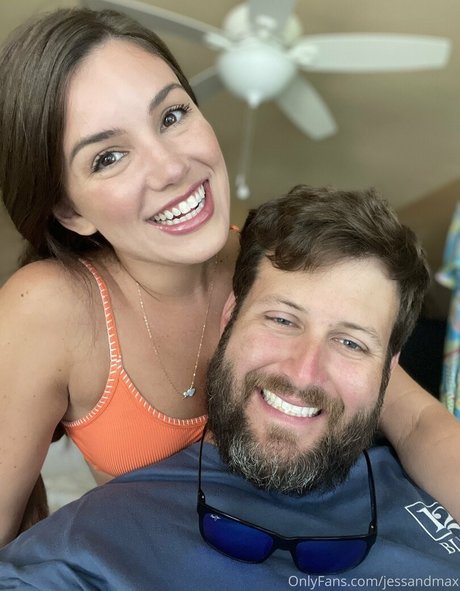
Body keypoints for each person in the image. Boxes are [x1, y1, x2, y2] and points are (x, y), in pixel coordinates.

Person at [0, 7, 457, 547]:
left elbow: (417, 422)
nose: (171, 168)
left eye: (172, 116)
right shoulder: (48, 310)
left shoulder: (276, 259)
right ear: (70, 210)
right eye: (109, 157)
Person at [0, 186, 458, 589]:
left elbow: (420, 420)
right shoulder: (96, 539)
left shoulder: (429, 473)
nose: (304, 373)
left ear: (389, 367)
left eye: (350, 342)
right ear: (229, 316)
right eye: (282, 320)